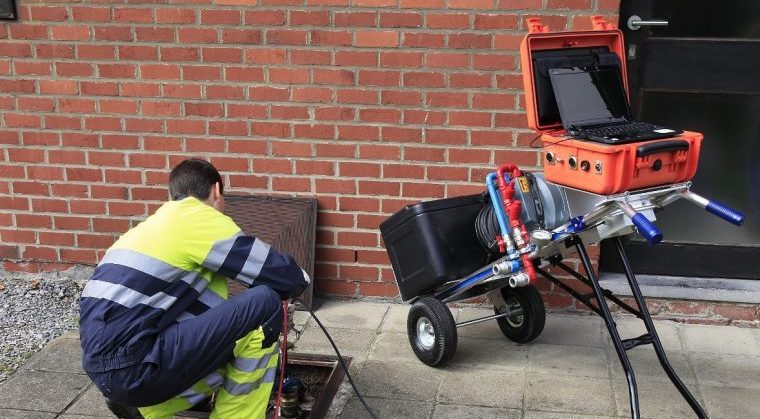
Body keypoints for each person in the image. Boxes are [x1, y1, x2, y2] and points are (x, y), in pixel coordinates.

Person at [79, 158, 310, 419]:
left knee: (228, 332)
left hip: (105, 370)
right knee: (264, 305)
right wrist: (301, 279)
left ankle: (147, 408)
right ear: (216, 192)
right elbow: (285, 277)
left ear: (172, 194)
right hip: (137, 364)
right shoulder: (197, 216)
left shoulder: (143, 232)